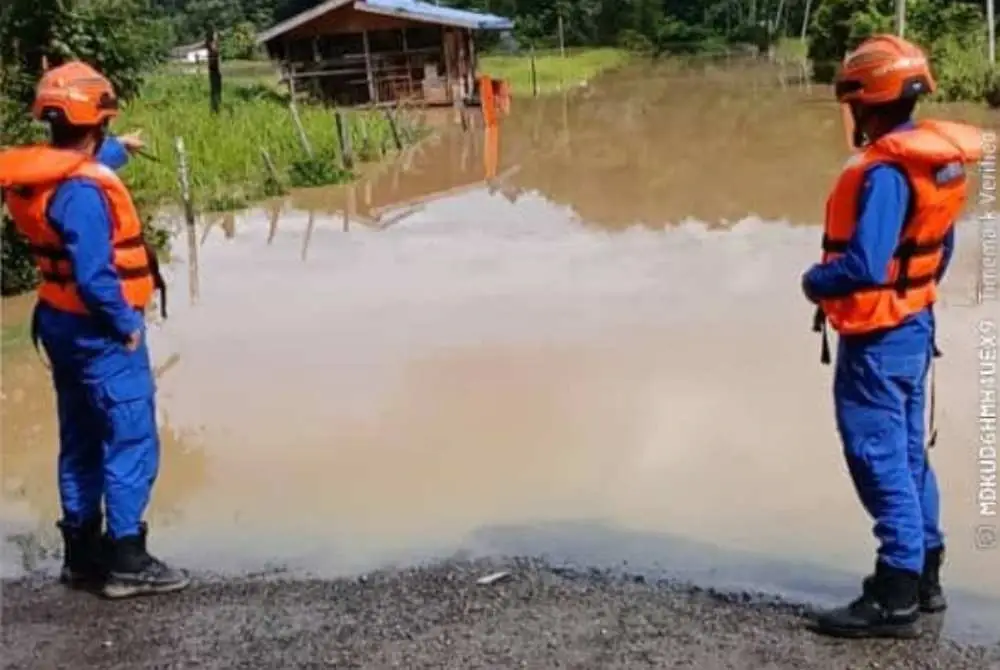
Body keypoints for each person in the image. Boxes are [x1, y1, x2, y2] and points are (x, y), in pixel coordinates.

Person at [801, 35, 982, 638]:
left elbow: (863, 265)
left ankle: (895, 595)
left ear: (867, 101)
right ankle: (927, 577)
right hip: (914, 324)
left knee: (877, 458)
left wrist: (813, 280)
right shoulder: (928, 160)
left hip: (879, 337)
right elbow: (940, 245)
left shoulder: (884, 173)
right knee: (907, 454)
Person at [0, 61, 188, 599]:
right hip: (98, 329)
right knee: (129, 436)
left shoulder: (46, 178)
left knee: (80, 438)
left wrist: (119, 149)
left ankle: (81, 556)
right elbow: (93, 274)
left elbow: (81, 167)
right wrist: (126, 324)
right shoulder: (82, 194)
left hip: (57, 322)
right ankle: (127, 559)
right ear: (96, 120)